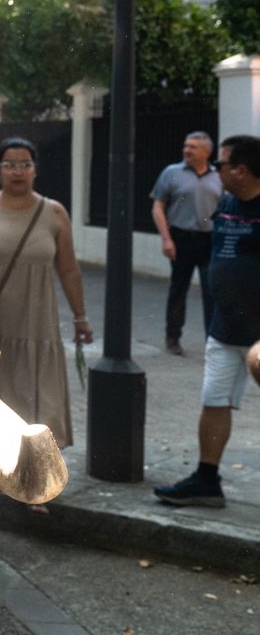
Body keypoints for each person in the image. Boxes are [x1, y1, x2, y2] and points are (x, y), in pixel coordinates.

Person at [0, 137, 93, 451]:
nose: (17, 171)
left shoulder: (54, 213)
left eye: (24, 164)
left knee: (38, 398)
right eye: (9, 165)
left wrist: (81, 318)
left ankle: (36, 479)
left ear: (35, 170)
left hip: (37, 324)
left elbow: (69, 270)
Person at [154, 135, 260, 509]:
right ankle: (206, 480)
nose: (217, 170)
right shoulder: (227, 201)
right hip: (225, 327)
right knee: (214, 402)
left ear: (242, 171)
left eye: (224, 163)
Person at [149, 131, 221, 356]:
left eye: (193, 147)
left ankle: (212, 340)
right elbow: (158, 206)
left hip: (209, 239)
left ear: (207, 152)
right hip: (181, 237)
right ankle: (173, 337)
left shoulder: (219, 176)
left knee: (212, 291)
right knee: (178, 289)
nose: (187, 150)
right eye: (186, 146)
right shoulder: (172, 173)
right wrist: (166, 238)